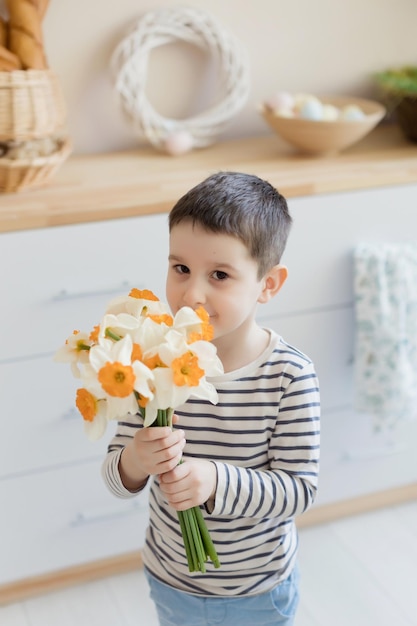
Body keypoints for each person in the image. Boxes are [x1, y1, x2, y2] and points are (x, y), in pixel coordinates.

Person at [101, 171, 320, 626]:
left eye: (219, 275)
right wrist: (136, 460)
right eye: (180, 268)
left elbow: (298, 490)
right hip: (169, 577)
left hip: (258, 587)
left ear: (269, 285)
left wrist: (217, 481)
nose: (192, 294)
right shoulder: (151, 361)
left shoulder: (288, 376)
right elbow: (116, 474)